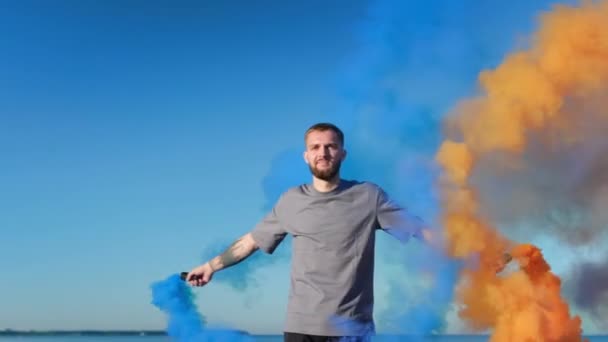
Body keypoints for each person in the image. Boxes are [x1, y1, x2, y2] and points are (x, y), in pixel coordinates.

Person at [186, 122, 438, 342]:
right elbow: (251, 241)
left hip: (352, 329)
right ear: (306, 156)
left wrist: (463, 249)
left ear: (342, 153)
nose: (323, 152)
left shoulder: (369, 196)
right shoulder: (291, 200)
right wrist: (210, 266)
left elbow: (418, 228)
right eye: (315, 147)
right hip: (301, 327)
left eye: (330, 146)